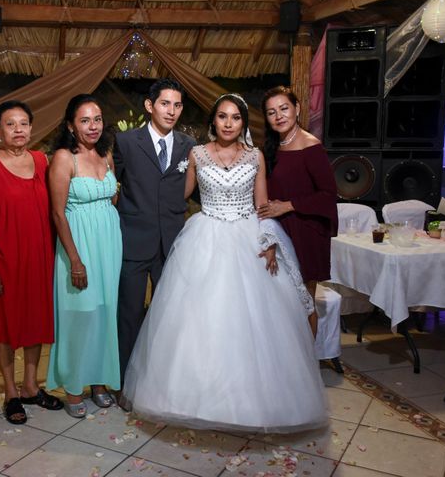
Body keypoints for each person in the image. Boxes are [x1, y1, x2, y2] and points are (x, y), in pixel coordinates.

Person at [122, 94, 328, 433]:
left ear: (244, 123)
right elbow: (178, 196)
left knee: (252, 324)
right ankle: (195, 398)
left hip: (248, 238)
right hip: (205, 236)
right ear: (213, 121)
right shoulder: (197, 154)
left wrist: (269, 241)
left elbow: (262, 205)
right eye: (222, 117)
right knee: (201, 321)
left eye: (235, 117)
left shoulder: (256, 156)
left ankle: (253, 402)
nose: (228, 123)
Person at [0, 100, 63, 425]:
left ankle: (30, 386)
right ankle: (10, 391)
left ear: (31, 129)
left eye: (24, 123)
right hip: (3, 261)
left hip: (39, 259)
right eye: (11, 124)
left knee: (35, 322)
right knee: (5, 328)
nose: (19, 129)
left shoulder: (41, 160)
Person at [113, 78, 196, 385]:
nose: (171, 111)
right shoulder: (125, 142)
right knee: (129, 316)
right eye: (165, 103)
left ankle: (162, 381)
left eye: (177, 105)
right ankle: (124, 381)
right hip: (133, 243)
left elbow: (186, 188)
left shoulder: (189, 146)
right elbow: (113, 186)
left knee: (169, 316)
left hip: (172, 246)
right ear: (150, 106)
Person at [46, 94, 122, 418]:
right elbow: (58, 213)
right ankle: (74, 386)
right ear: (70, 125)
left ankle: (100, 382)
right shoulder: (64, 158)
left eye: (97, 119)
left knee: (105, 313)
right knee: (80, 315)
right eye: (85, 120)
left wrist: (106, 224)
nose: (93, 126)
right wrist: (75, 260)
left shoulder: (106, 154)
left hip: (109, 242)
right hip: (79, 243)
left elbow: (114, 196)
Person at [258, 86, 338, 338]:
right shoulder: (271, 147)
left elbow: (328, 195)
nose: (279, 116)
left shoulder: (311, 147)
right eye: (272, 112)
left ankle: (307, 370)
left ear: (297, 109)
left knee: (302, 302)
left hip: (305, 232)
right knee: (278, 304)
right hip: (277, 230)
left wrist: (289, 205)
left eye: (284, 108)